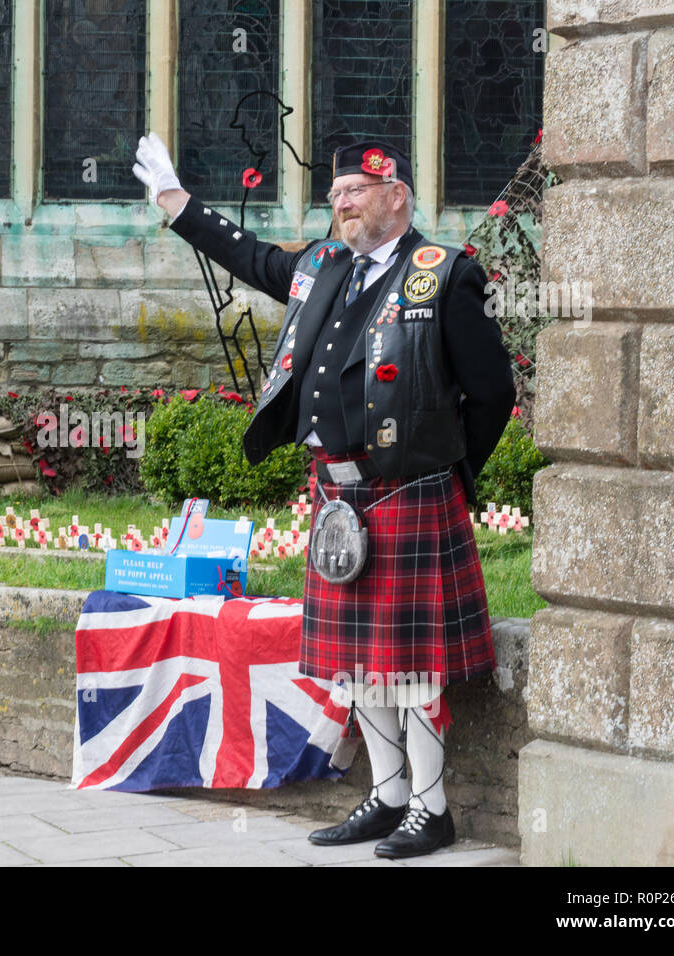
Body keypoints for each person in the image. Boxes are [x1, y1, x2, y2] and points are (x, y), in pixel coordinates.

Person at [133, 133, 514, 858]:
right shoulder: (322, 266)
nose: (342, 204)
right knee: (359, 662)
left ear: (396, 195)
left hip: (409, 492)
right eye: (336, 195)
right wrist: (176, 203)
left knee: (408, 664)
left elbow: (494, 391)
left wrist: (449, 468)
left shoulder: (444, 274)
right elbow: (251, 257)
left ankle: (432, 809)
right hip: (338, 496)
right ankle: (388, 794)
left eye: (357, 192)